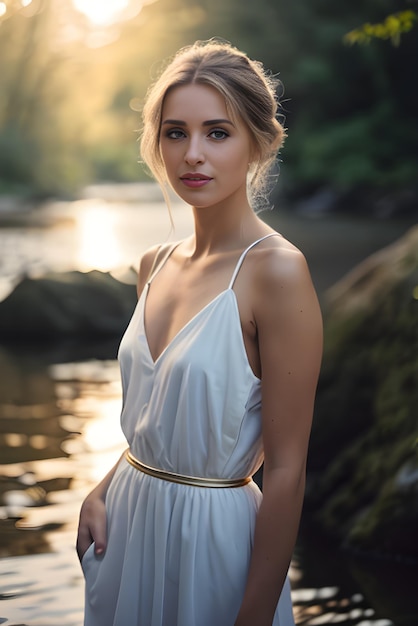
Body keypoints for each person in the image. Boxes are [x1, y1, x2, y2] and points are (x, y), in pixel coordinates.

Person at [76, 39, 323, 626]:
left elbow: (286, 470)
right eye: (175, 132)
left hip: (212, 541)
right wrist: (102, 488)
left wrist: (255, 614)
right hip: (130, 524)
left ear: (257, 143)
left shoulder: (277, 273)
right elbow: (159, 415)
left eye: (217, 132)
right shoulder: (153, 264)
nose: (193, 154)